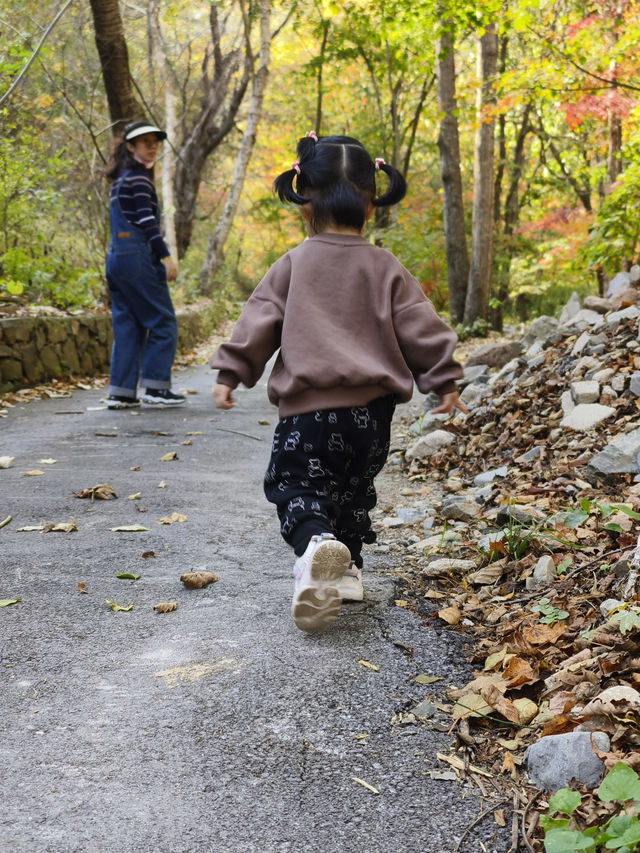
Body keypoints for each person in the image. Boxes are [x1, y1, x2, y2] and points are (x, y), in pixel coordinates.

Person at [210, 132, 467, 632]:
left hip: (309, 411)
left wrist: (231, 373)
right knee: (352, 490)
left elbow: (258, 321)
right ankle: (346, 570)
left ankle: (315, 549)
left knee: (298, 485)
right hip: (372, 417)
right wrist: (445, 382)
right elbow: (421, 326)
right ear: (371, 207)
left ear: (304, 203)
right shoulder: (386, 266)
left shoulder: (293, 264)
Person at [104, 120, 186, 409]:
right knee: (163, 320)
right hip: (137, 258)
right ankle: (156, 388)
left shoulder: (120, 181)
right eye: (145, 142)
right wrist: (166, 256)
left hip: (115, 259)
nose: (152, 147)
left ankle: (121, 392)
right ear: (130, 146)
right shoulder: (139, 180)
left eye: (155, 142)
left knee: (128, 324)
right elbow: (147, 222)